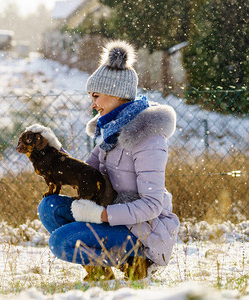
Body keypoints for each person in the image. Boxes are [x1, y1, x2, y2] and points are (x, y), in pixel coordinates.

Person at [37, 40, 180, 281]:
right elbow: (85, 173)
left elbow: (153, 205)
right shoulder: (110, 133)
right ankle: (101, 274)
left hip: (144, 232)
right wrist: (53, 152)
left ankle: (137, 263)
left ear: (117, 94)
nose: (92, 105)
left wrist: (101, 216)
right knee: (50, 207)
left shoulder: (148, 139)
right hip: (113, 214)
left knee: (62, 242)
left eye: (96, 96)